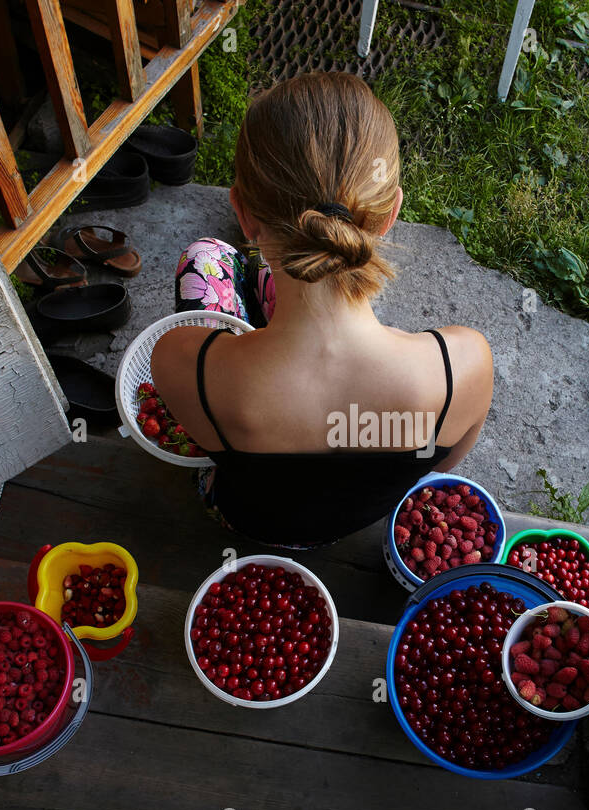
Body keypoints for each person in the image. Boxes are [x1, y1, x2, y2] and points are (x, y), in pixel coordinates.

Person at [151, 71, 492, 548]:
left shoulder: (183, 361)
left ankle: (284, 283)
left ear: (243, 213)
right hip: (355, 522)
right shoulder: (463, 366)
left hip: (242, 515)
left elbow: (199, 435)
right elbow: (443, 464)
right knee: (283, 280)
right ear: (390, 214)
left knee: (206, 257)